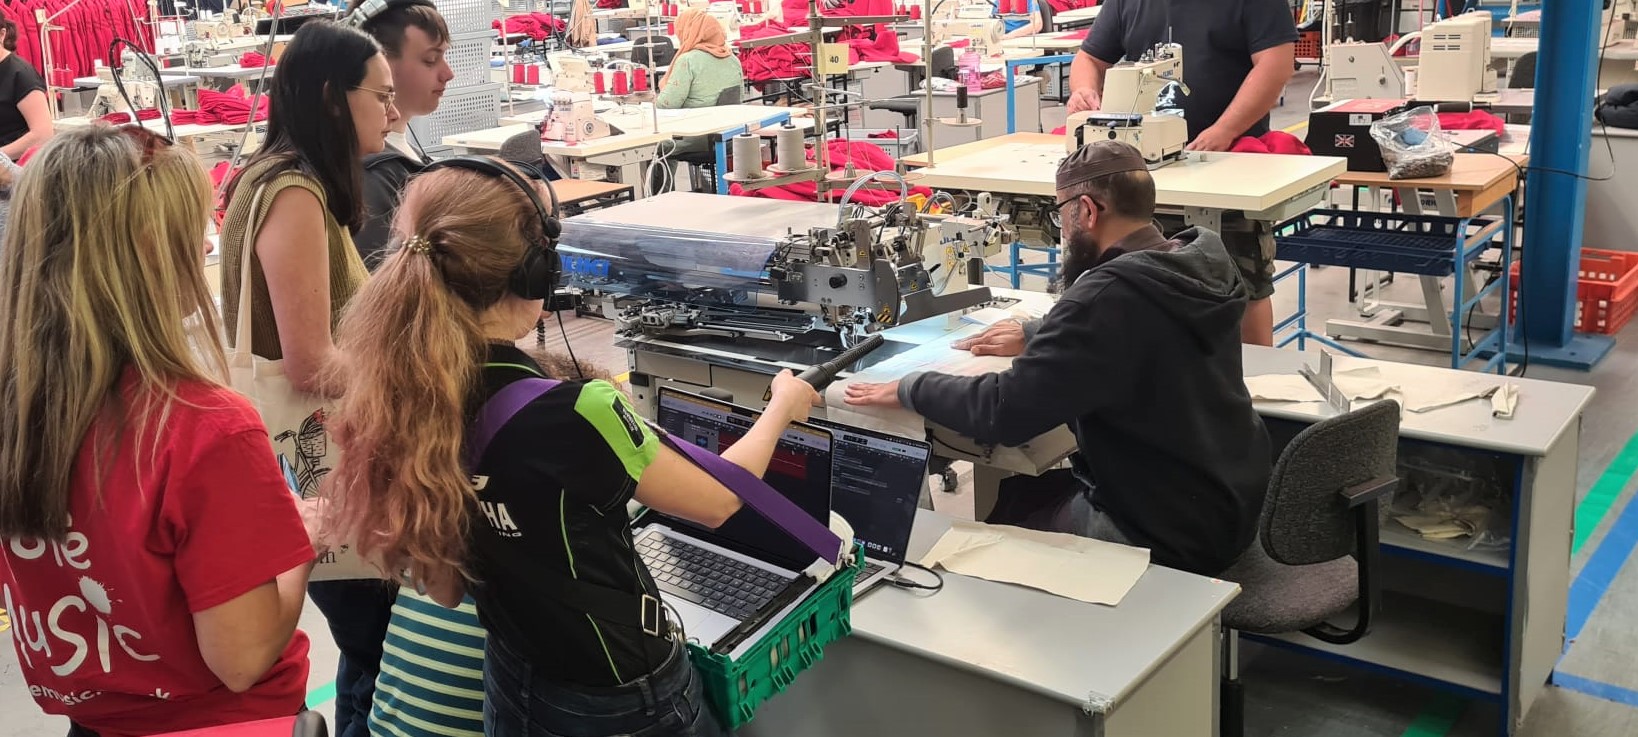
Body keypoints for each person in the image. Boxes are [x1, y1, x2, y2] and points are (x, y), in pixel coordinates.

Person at [323, 157, 821, 737]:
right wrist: (780, 408)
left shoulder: (404, 396)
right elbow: (718, 501)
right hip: (617, 696)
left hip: (515, 677)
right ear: (535, 272)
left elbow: (446, 586)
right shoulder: (580, 409)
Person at [0, 125, 315, 736]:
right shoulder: (205, 430)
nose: (203, 251)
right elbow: (242, 659)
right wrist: (302, 542)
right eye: (191, 234)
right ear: (149, 254)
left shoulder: (22, 411)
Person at [844, 141, 1271, 577]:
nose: (1064, 230)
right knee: (1023, 495)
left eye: (1061, 214)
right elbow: (1136, 331)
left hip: (1164, 533)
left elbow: (1004, 411)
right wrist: (1037, 333)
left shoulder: (1105, 296)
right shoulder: (1200, 263)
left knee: (978, 545)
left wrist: (910, 386)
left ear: (1086, 210)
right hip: (1230, 504)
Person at [218, 20, 399, 737]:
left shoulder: (264, 178)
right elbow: (311, 362)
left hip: (301, 463)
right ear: (332, 98)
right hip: (317, 465)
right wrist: (407, 372)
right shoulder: (295, 193)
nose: (391, 111)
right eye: (379, 96)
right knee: (376, 648)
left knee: (365, 646)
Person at [1064, 0, 1296, 346]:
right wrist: (1084, 89)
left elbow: (1276, 63)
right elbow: (1091, 57)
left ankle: (1253, 386)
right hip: (1143, 166)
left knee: (1243, 281)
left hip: (1224, 164)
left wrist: (1225, 129)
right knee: (1121, 276)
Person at [349, 0, 455, 267]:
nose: (448, 73)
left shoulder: (402, 157)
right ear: (379, 63)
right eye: (430, 60)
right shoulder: (373, 177)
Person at [655, 9, 743, 110]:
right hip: (730, 119)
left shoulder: (687, 61)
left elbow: (667, 104)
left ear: (687, 31)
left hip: (696, 121)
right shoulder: (733, 59)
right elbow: (740, 98)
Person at [0, 20, 51, 159]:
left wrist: (1, 156)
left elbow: (42, 135)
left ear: (2, 34)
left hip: (14, 171)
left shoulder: (21, 74)